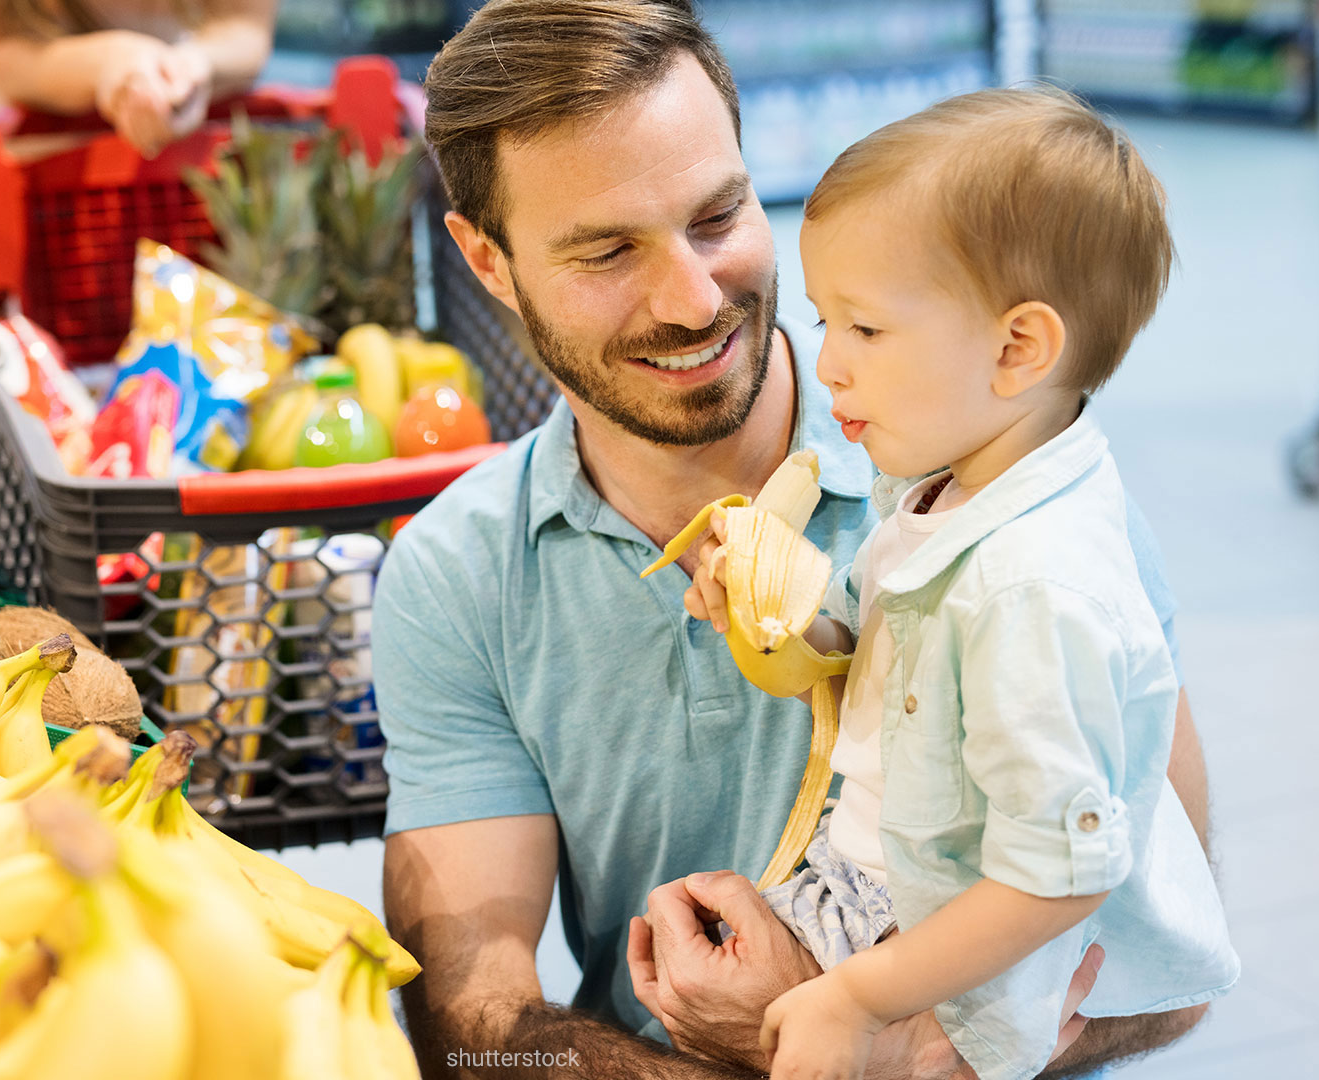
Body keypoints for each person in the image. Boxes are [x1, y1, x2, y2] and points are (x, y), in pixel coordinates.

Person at [372, 1, 1217, 1076]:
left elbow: (1171, 941)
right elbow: (473, 1027)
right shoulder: (459, 576)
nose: (691, 300)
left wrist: (874, 1044)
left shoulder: (1006, 482)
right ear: (488, 264)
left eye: (718, 216)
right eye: (606, 252)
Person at [666, 88, 1239, 1080]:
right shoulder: (950, 488)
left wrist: (856, 999)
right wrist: (781, 622)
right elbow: (891, 664)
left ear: (1018, 348)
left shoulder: (1033, 589)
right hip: (887, 894)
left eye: (867, 330)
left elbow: (1057, 878)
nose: (830, 366)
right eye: (823, 322)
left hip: (949, 959)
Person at [0, 0, 276, 157]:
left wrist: (194, 64)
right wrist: (109, 60)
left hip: (149, 98)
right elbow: (4, 46)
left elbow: (244, 28)